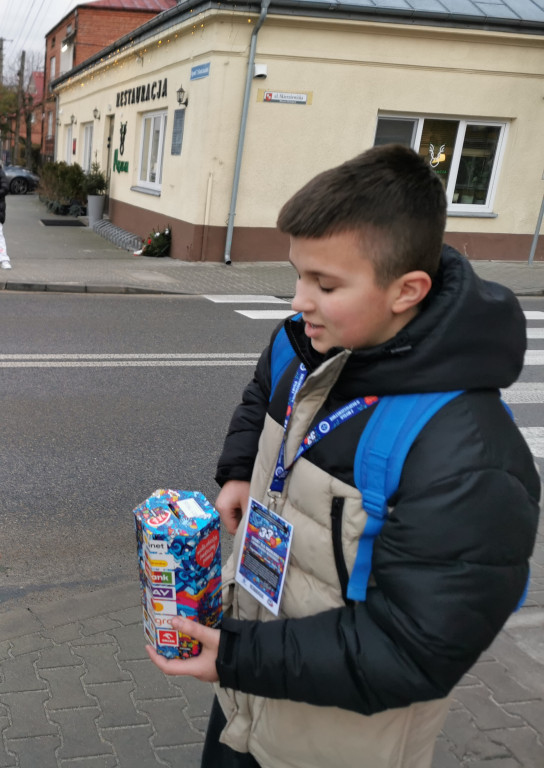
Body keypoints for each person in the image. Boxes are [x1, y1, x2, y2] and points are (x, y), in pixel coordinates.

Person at [148, 144, 540, 768]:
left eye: (325, 284)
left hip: (335, 743)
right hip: (247, 701)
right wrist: (237, 472)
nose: (298, 301)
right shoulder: (307, 342)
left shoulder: (466, 454)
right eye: (298, 274)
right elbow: (263, 392)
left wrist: (234, 655)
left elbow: (412, 651)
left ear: (407, 291)